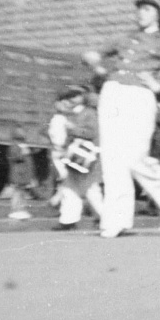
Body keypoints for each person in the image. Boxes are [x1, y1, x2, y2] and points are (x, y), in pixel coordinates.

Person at [81, 0, 160, 237]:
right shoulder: (124, 37)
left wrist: (159, 84)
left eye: (147, 9)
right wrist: (95, 62)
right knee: (111, 158)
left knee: (135, 156)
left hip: (140, 96)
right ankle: (115, 221)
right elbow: (95, 55)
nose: (141, 13)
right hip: (113, 93)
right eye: (139, 8)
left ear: (159, 15)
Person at [49, 84, 104, 230]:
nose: (71, 99)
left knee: (90, 188)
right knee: (71, 188)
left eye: (75, 95)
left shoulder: (89, 113)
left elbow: (92, 133)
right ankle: (69, 220)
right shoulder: (73, 113)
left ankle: (103, 216)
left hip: (86, 157)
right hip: (75, 157)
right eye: (68, 96)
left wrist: (73, 128)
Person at [7, 126, 38, 221]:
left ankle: (21, 210)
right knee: (17, 193)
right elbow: (15, 157)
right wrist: (23, 152)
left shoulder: (23, 147)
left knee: (22, 193)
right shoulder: (14, 147)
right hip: (18, 174)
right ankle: (15, 211)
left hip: (24, 174)